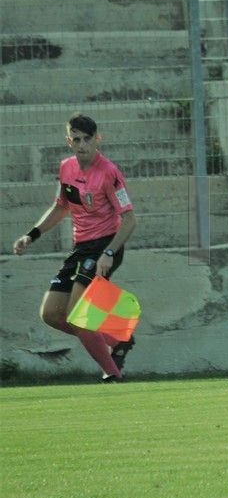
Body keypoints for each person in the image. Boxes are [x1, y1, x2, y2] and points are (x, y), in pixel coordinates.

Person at [12, 113, 138, 382]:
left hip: (105, 245)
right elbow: (61, 207)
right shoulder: (66, 168)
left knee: (78, 315)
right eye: (76, 139)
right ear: (69, 141)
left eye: (87, 139)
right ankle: (117, 340)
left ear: (97, 139)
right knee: (51, 314)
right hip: (81, 248)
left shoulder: (110, 173)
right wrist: (31, 235)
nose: (82, 145)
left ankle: (113, 374)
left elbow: (129, 220)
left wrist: (109, 253)